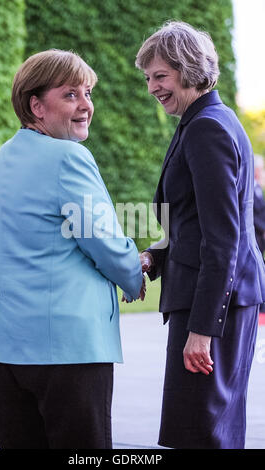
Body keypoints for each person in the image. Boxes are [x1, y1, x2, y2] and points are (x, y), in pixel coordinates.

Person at [0, 49, 143, 449]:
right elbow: (104, 241)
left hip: (1, 350)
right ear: (36, 104)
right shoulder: (69, 157)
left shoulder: (0, 162)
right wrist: (135, 274)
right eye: (70, 95)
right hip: (66, 350)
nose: (86, 105)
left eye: (87, 93)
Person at [135, 21, 265, 449]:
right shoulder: (206, 120)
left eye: (160, 76)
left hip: (212, 310)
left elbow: (223, 240)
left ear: (188, 68)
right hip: (219, 302)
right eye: (149, 77)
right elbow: (192, 223)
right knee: (207, 431)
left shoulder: (207, 127)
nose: (152, 87)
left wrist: (203, 329)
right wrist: (154, 259)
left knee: (201, 435)